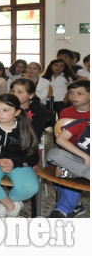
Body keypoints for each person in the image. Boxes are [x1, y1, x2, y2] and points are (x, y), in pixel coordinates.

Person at [0, 94, 40, 218]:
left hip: (18, 162)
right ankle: (11, 206)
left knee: (30, 187)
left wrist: (14, 163)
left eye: (5, 110)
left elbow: (33, 156)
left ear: (17, 112)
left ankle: (3, 203)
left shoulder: (25, 127)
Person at [47, 80, 89, 218]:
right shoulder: (66, 111)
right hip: (72, 155)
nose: (74, 96)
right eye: (71, 93)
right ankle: (75, 204)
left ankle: (63, 209)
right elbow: (61, 140)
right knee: (53, 157)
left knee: (66, 171)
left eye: (79, 93)